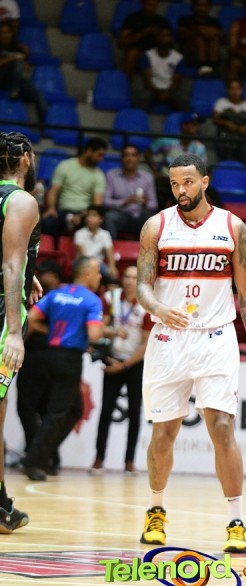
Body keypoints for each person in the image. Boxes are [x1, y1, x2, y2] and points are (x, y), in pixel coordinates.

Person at [136, 153, 246, 552]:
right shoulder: (156, 226)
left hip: (216, 337)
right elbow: (142, 287)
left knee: (223, 429)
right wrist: (158, 308)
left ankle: (236, 521)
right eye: (175, 183)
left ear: (205, 182)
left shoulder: (232, 227)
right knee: (164, 432)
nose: (181, 190)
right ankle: (156, 510)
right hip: (168, 338)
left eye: (188, 182)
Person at [22, 256, 104, 481]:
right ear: (86, 274)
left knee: (75, 410)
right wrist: (103, 329)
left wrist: (50, 332)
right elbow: (94, 335)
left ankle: (42, 453)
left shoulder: (56, 294)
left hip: (49, 355)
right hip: (69, 359)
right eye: (97, 272)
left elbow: (31, 319)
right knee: (57, 414)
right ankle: (34, 460)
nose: (99, 277)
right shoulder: (92, 300)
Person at [0, 130, 42, 532]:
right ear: (25, 159)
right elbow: (10, 265)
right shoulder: (21, 200)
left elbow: (15, 261)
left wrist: (28, 273)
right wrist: (14, 331)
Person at [90, 266, 152, 475]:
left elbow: (146, 344)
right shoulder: (111, 298)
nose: (129, 281)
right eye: (127, 276)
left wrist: (124, 366)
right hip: (112, 358)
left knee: (135, 412)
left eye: (134, 277)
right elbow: (99, 328)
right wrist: (113, 331)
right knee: (106, 410)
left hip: (134, 364)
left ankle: (130, 461)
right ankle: (99, 459)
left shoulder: (147, 303)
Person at [16, 260, 62, 474]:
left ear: (55, 275)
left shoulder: (52, 297)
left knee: (28, 408)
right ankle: (48, 457)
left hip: (37, 358)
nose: (41, 276)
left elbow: (31, 324)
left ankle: (35, 455)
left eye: (45, 273)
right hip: (48, 359)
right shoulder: (51, 296)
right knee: (44, 410)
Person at [41, 137, 108, 238]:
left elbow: (97, 203)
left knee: (99, 223)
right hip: (63, 211)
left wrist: (83, 215)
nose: (101, 159)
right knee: (48, 221)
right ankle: (55, 248)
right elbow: (53, 191)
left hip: (85, 214)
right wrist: (51, 208)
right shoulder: (65, 166)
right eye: (99, 155)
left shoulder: (99, 175)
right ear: (89, 151)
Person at [146, 113, 207, 209]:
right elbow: (148, 153)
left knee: (210, 193)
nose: (196, 128)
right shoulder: (167, 141)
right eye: (193, 125)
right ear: (184, 126)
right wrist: (155, 172)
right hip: (167, 180)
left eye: (197, 125)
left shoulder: (200, 147)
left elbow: (203, 169)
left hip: (189, 183)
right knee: (161, 192)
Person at [104, 145, 158, 241]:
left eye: (133, 155)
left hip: (140, 215)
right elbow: (105, 201)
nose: (130, 158)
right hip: (121, 215)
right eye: (126, 155)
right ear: (122, 158)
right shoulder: (111, 175)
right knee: (109, 217)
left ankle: (150, 250)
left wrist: (145, 203)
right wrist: (124, 202)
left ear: (138, 158)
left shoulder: (147, 177)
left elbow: (154, 204)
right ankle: (110, 249)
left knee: (154, 220)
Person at [0, 21, 47, 124]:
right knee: (16, 63)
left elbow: (25, 63)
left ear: (12, 34)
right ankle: (14, 90)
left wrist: (25, 64)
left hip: (17, 79)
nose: (5, 35)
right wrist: (13, 58)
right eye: (2, 32)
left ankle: (45, 127)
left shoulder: (17, 47)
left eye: (7, 32)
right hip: (2, 77)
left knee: (39, 97)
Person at [117, 0, 170, 78]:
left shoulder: (161, 21)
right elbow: (121, 43)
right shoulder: (132, 19)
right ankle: (125, 82)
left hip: (156, 53)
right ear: (142, 4)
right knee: (132, 53)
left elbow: (169, 42)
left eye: (153, 6)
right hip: (137, 53)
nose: (150, 8)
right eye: (148, 5)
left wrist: (159, 35)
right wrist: (142, 33)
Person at [139, 26, 186, 112]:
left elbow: (177, 82)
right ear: (157, 38)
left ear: (171, 39)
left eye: (167, 36)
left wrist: (167, 92)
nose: (164, 38)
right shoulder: (147, 55)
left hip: (170, 90)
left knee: (182, 99)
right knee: (143, 98)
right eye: (161, 35)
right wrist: (158, 92)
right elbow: (147, 80)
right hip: (152, 89)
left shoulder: (179, 58)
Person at [213, 78, 246, 164]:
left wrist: (245, 128)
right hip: (225, 135)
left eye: (237, 88)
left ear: (242, 90)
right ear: (228, 90)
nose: (235, 92)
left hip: (243, 137)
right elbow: (215, 119)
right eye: (232, 89)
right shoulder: (221, 102)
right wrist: (226, 123)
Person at [74, 205, 119, 285]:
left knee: (112, 274)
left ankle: (111, 291)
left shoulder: (105, 234)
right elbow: (82, 255)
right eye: (88, 215)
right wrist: (91, 267)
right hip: (83, 263)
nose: (90, 218)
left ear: (101, 219)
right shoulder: (79, 233)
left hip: (98, 264)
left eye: (94, 215)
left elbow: (110, 252)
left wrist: (112, 266)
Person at [177, 0, 223, 76]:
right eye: (199, 5)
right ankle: (203, 66)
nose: (202, 8)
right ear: (194, 7)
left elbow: (221, 35)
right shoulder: (185, 20)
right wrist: (198, 31)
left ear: (209, 7)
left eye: (205, 6)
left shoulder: (214, 22)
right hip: (190, 53)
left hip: (210, 51)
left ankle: (213, 66)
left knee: (215, 38)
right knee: (199, 38)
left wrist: (211, 32)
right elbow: (182, 35)